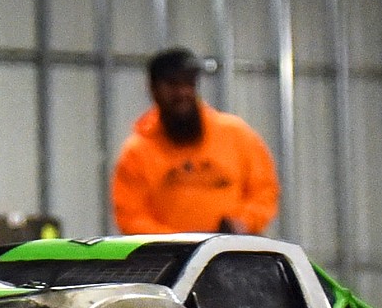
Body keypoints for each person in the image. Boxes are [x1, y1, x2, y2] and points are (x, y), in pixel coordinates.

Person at [111, 47, 279, 235]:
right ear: (153, 89)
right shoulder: (137, 152)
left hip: (233, 257)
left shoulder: (237, 135)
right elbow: (131, 216)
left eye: (189, 83)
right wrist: (177, 246)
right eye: (173, 84)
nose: (183, 92)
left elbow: (264, 192)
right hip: (170, 263)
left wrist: (241, 224)